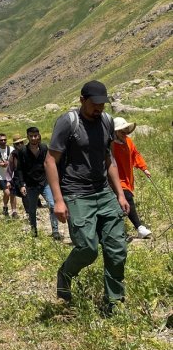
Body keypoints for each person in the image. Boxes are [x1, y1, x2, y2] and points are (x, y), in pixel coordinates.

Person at [44, 80, 129, 313]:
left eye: (103, 104)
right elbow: (51, 161)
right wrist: (58, 200)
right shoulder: (68, 122)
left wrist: (120, 194)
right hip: (76, 194)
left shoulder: (107, 122)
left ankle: (113, 301)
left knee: (117, 248)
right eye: (94, 104)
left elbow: (108, 159)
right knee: (88, 248)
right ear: (82, 100)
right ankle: (65, 273)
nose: (99, 108)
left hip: (103, 192)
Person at [15, 127, 60, 239]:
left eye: (36, 135)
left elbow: (49, 164)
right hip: (30, 185)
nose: (34, 138)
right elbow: (19, 169)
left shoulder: (44, 148)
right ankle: (34, 231)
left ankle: (55, 231)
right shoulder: (22, 151)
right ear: (28, 137)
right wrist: (21, 184)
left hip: (44, 183)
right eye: (31, 136)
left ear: (39, 135)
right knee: (32, 210)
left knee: (53, 205)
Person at [111, 117, 152, 240]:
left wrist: (144, 168)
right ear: (116, 132)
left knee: (119, 204)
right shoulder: (111, 144)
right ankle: (140, 228)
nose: (125, 133)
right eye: (122, 131)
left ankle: (118, 232)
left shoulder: (128, 141)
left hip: (128, 177)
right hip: (115, 179)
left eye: (126, 131)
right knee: (127, 197)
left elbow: (135, 154)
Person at [6, 134, 27, 218]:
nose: (20, 145)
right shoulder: (13, 155)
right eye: (17, 143)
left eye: (21, 142)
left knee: (26, 194)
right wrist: (8, 180)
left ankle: (30, 212)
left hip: (28, 176)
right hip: (17, 177)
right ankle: (14, 211)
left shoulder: (27, 151)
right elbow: (10, 168)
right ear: (14, 145)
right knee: (13, 193)